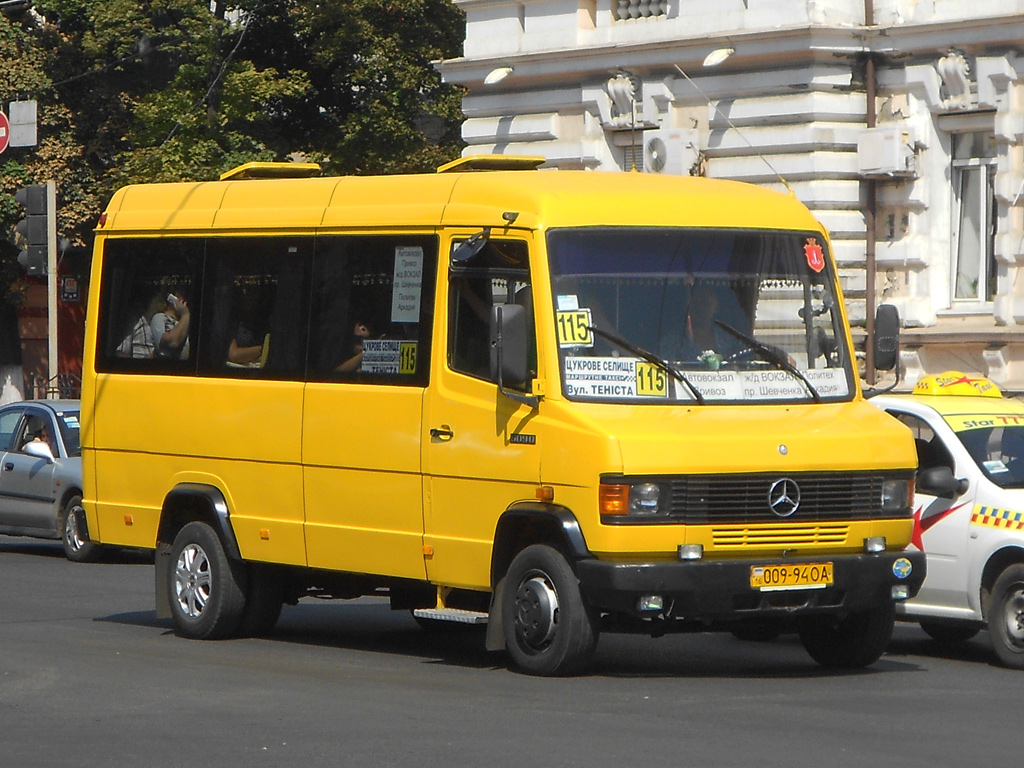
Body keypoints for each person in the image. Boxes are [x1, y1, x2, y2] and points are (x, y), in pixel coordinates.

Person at [151, 291, 190, 359]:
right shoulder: (159, 318)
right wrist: (185, 315)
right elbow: (172, 343)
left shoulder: (185, 322)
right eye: (180, 297)